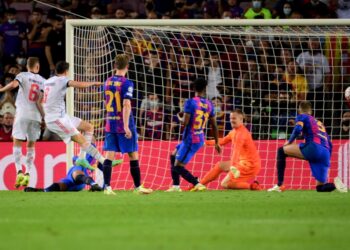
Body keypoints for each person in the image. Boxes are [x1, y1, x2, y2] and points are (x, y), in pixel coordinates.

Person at [43, 61, 121, 174]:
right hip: (56, 120)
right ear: (66, 71)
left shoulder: (48, 81)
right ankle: (104, 161)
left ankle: (82, 158)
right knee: (81, 139)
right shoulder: (63, 80)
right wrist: (93, 83)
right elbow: (78, 85)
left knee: (88, 127)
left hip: (62, 116)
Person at [268, 101, 347, 193]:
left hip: (313, 148)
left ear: (299, 110)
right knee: (320, 188)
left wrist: (289, 141)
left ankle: (279, 184)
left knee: (281, 151)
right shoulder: (319, 122)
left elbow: (297, 129)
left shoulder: (302, 116)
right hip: (325, 153)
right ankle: (336, 185)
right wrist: (327, 159)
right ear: (311, 111)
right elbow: (330, 144)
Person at [102, 54, 153, 195]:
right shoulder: (127, 83)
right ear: (127, 67)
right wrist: (125, 126)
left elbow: (106, 101)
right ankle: (137, 187)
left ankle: (107, 187)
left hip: (110, 123)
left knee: (109, 154)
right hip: (123, 124)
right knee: (133, 154)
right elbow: (126, 104)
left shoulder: (107, 81)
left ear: (114, 66)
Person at [166, 78, 221, 192]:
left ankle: (197, 183)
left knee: (177, 166)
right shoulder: (209, 104)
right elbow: (214, 125)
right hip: (198, 136)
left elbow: (185, 123)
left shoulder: (190, 102)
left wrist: (179, 117)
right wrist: (217, 142)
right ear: (205, 89)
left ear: (194, 88)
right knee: (173, 155)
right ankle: (176, 186)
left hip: (191, 139)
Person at [0, 57, 45, 188]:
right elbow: (41, 101)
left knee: (17, 141)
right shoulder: (44, 81)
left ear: (27, 67)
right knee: (31, 145)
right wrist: (44, 117)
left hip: (22, 113)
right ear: (38, 67)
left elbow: (13, 85)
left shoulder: (22, 75)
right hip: (36, 115)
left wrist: (2, 90)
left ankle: (19, 170)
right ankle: (28, 172)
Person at [200, 110, 261, 190]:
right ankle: (199, 184)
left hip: (250, 165)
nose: (231, 120)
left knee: (225, 184)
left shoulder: (241, 134)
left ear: (241, 119)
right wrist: (205, 143)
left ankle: (253, 187)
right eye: (230, 118)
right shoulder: (234, 132)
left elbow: (236, 151)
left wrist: (233, 166)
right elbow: (222, 141)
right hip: (243, 162)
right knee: (220, 165)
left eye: (234, 118)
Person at [24, 155, 103, 192]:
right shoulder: (82, 153)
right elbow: (75, 159)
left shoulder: (94, 154)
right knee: (59, 185)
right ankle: (41, 190)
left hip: (78, 178)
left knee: (77, 172)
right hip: (71, 182)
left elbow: (102, 164)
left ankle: (93, 184)